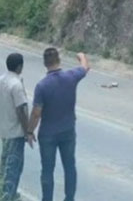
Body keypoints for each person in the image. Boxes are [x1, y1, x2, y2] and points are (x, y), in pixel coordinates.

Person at [28, 48, 90, 201]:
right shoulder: (71, 77)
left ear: (45, 63)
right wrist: (81, 56)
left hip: (48, 134)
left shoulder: (42, 86)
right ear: (59, 60)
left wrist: (29, 131)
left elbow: (36, 113)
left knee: (47, 170)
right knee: (69, 167)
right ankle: (69, 198)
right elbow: (85, 68)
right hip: (68, 131)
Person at [0, 53, 31, 201]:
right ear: (19, 66)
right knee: (14, 166)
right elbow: (20, 109)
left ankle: (5, 192)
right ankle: (8, 195)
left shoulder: (0, 81)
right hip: (15, 132)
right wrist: (27, 131)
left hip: (3, 129)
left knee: (5, 163)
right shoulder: (16, 85)